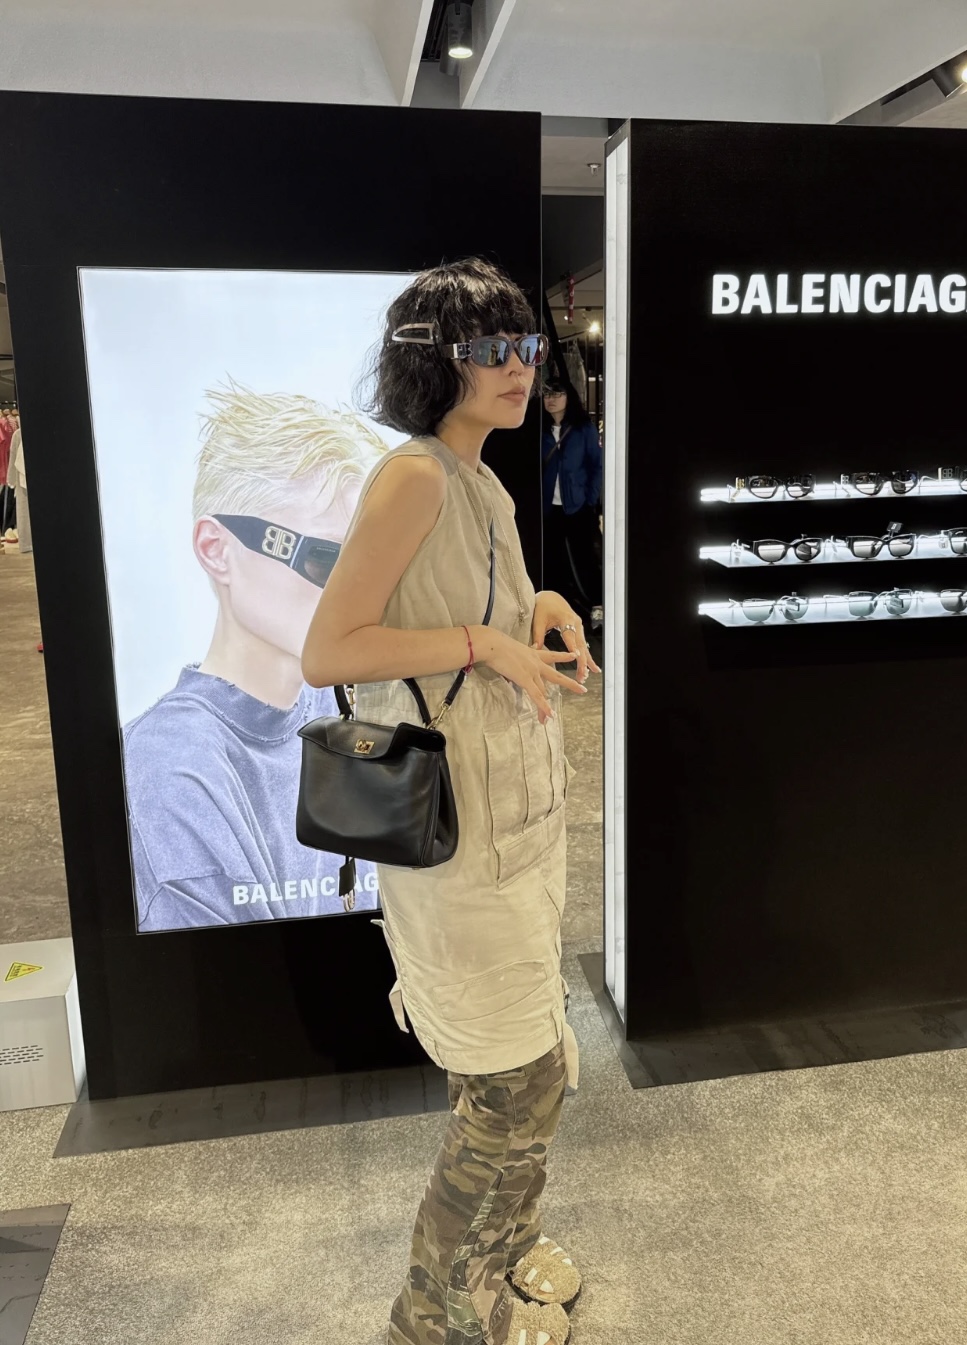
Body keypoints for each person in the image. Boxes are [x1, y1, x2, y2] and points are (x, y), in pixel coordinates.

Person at [302, 258, 600, 1345]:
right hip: (463, 842)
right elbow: (330, 647)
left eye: (525, 346)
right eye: (488, 349)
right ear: (434, 362)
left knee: (525, 1066)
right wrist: (484, 642)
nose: (517, 368)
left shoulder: (475, 476)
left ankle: (507, 1253)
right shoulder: (416, 477)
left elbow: (467, 607)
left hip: (508, 826)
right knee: (512, 1087)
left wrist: (539, 606)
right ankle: (431, 1320)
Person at [124, 383, 388, 932]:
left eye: (370, 560)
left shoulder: (348, 709)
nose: (356, 589)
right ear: (217, 550)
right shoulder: (171, 770)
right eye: (324, 558)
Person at [541, 379, 603, 632]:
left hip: (578, 505)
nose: (551, 399)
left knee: (586, 557)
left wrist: (590, 499)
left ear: (569, 397)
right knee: (553, 560)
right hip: (549, 507)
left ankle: (598, 605)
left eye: (557, 394)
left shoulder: (582, 429)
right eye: (547, 394)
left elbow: (596, 465)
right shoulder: (539, 429)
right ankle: (558, 613)